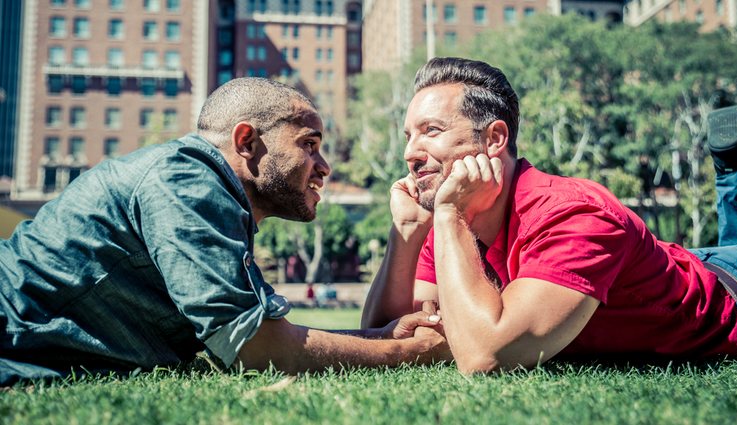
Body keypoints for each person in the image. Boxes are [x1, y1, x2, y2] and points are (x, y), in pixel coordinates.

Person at [0, 78, 447, 386]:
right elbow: (256, 348)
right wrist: (406, 352)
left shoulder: (213, 196)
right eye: (308, 144)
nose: (324, 166)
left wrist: (380, 338)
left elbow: (261, 329)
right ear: (247, 142)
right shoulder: (188, 183)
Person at [361, 57, 737, 373]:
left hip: (735, 290)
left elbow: (485, 356)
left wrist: (450, 215)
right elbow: (380, 333)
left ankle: (736, 167)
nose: (410, 154)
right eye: (409, 136)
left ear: (494, 139)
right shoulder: (451, 230)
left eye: (431, 130)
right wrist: (408, 230)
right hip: (664, 266)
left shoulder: (574, 214)